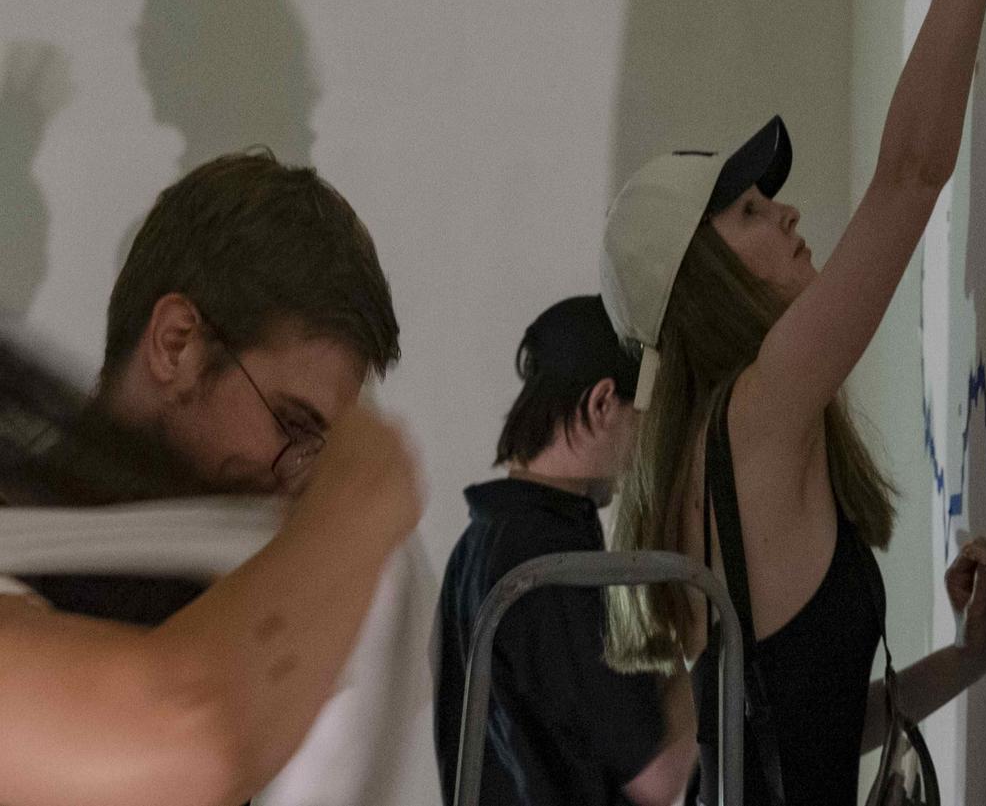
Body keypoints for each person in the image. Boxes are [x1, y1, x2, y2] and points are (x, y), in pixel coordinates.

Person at [598, 0, 986, 803]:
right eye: (750, 211)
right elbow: (908, 175)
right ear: (705, 279)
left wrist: (972, 660)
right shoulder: (756, 412)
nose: (786, 216)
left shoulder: (715, 451)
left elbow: (805, 728)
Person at [0, 150, 431, 806]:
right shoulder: (15, 534)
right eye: (290, 421)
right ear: (178, 344)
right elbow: (190, 731)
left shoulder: (217, 590)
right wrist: (362, 495)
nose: (294, 477)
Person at [434, 295, 696, 805]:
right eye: (649, 418)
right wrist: (703, 631)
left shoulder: (476, 547)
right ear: (602, 404)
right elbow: (658, 775)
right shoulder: (553, 564)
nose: (651, 448)